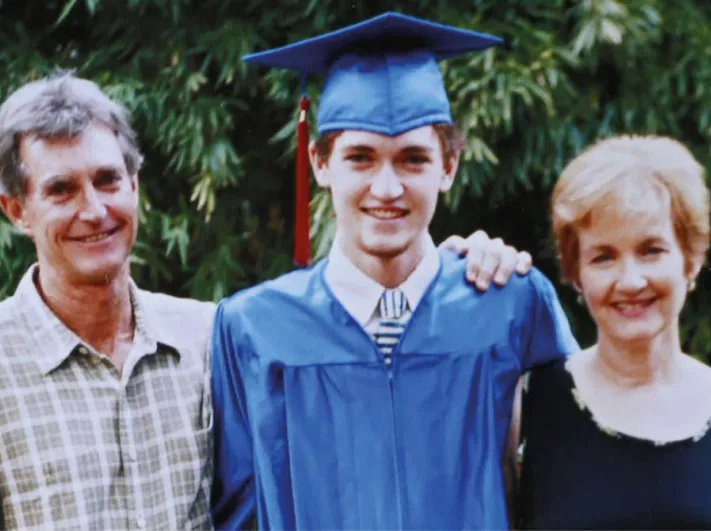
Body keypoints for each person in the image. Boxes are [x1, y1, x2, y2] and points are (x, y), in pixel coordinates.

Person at [0, 72, 526, 529]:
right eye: (61, 189)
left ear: (135, 184)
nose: (94, 209)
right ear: (16, 210)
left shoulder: (213, 336)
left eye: (108, 179)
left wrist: (455, 270)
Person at [209, 13, 582, 529]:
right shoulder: (251, 326)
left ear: (448, 166)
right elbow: (238, 514)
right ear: (320, 163)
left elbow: (579, 478)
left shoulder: (511, 302)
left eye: (412, 160)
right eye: (360, 158)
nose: (386, 189)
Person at [515, 135, 711, 529]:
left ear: (691, 260)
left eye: (651, 250)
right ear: (576, 274)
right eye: (604, 257)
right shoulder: (529, 406)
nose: (630, 281)